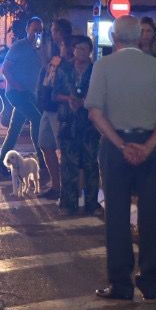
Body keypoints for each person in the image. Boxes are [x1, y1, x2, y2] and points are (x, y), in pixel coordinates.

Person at [85, 14, 156, 302]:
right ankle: (151, 282)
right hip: (152, 148)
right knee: (153, 215)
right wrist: (149, 145)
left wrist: (121, 144)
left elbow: (95, 113)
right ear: (141, 36)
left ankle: (121, 284)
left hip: (116, 148)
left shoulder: (102, 67)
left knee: (116, 215)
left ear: (114, 38)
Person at [0, 16, 50, 188]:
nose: (37, 34)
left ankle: (1, 165)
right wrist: (16, 86)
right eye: (34, 30)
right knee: (37, 119)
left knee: (14, 130)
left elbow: (43, 69)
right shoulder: (19, 46)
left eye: (40, 30)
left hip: (30, 93)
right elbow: (6, 69)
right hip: (18, 93)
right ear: (27, 30)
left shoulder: (41, 49)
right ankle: (42, 162)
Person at [55, 34, 101, 215]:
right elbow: (55, 93)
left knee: (90, 163)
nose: (81, 52)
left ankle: (92, 203)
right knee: (68, 164)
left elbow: (101, 94)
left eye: (84, 49)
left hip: (90, 124)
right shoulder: (64, 69)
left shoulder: (96, 70)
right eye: (78, 48)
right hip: (68, 122)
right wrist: (69, 99)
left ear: (90, 51)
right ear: (73, 50)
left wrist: (84, 102)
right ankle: (68, 203)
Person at [34, 16, 73, 190]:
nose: (51, 32)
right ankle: (56, 184)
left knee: (62, 147)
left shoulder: (69, 49)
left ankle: (66, 185)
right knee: (45, 144)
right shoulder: (52, 49)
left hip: (59, 107)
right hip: (47, 104)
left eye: (55, 29)